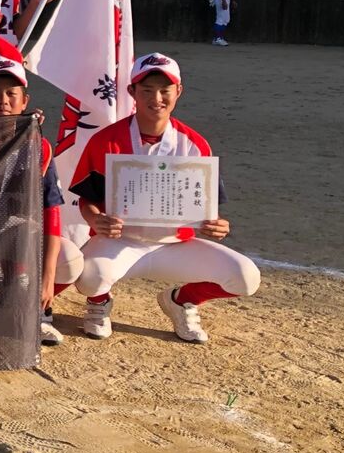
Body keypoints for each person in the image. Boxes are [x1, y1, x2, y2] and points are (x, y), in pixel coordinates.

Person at [70, 53, 260, 343]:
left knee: (246, 277)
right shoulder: (106, 140)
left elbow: (207, 210)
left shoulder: (194, 144)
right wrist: (96, 219)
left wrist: (217, 225)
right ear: (132, 91)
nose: (156, 98)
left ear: (178, 91)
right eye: (146, 90)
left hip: (176, 244)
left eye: (164, 90)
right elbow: (87, 200)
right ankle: (99, 302)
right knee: (89, 276)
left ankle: (181, 300)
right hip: (121, 242)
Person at [0, 56, 82, 345]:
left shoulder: (38, 146)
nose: (3, 101)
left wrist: (48, 278)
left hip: (14, 235)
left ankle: (34, 308)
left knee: (69, 260)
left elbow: (51, 210)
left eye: (11, 93)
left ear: (25, 101)